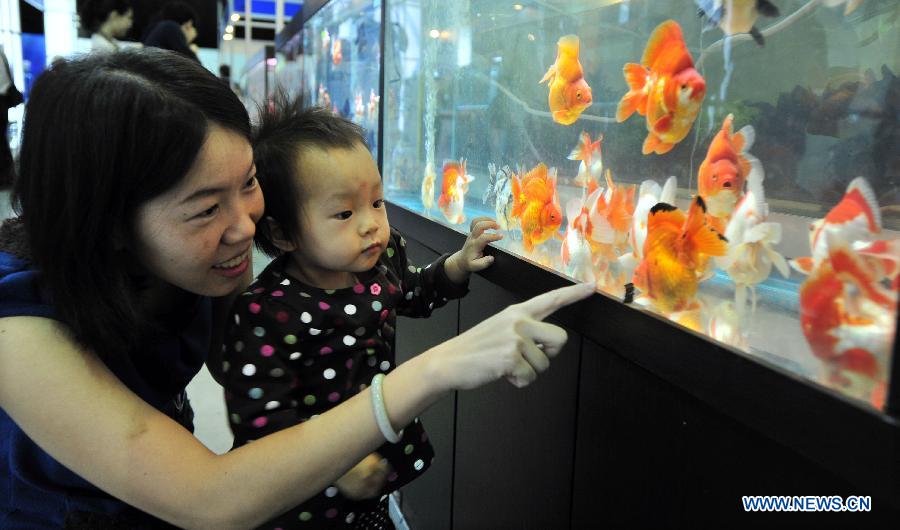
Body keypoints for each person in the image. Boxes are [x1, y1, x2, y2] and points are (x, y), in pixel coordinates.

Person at [0, 48, 594, 529]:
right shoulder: (17, 332)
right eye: (206, 209)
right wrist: (436, 369)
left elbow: (248, 374)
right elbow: (209, 496)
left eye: (250, 183)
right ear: (108, 223)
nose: (247, 225)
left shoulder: (207, 268)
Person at [221, 100, 502, 528]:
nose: (371, 224)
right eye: (345, 213)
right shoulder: (267, 312)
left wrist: (458, 264)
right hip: (302, 498)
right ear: (283, 233)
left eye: (377, 202)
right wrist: (334, 463)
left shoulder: (380, 261)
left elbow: (415, 291)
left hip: (371, 469)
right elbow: (261, 417)